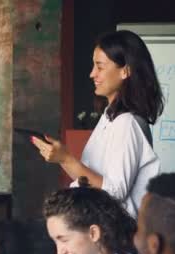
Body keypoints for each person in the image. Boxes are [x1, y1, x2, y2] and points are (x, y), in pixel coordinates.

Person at [32, 30, 164, 217]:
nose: (92, 74)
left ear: (125, 70)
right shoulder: (109, 117)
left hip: (119, 237)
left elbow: (115, 191)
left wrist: (66, 159)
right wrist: (62, 158)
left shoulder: (127, 123)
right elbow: (90, 179)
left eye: (100, 67)